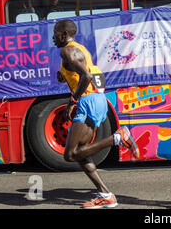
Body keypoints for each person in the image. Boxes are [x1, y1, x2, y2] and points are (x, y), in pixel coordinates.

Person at [53, 19, 139, 208]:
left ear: (64, 34)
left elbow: (87, 76)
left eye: (56, 33)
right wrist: (64, 75)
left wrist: (72, 101)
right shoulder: (78, 48)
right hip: (95, 100)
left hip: (87, 101)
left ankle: (117, 138)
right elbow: (82, 72)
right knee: (83, 154)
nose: (53, 38)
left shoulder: (66, 50)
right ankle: (106, 195)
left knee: (70, 155)